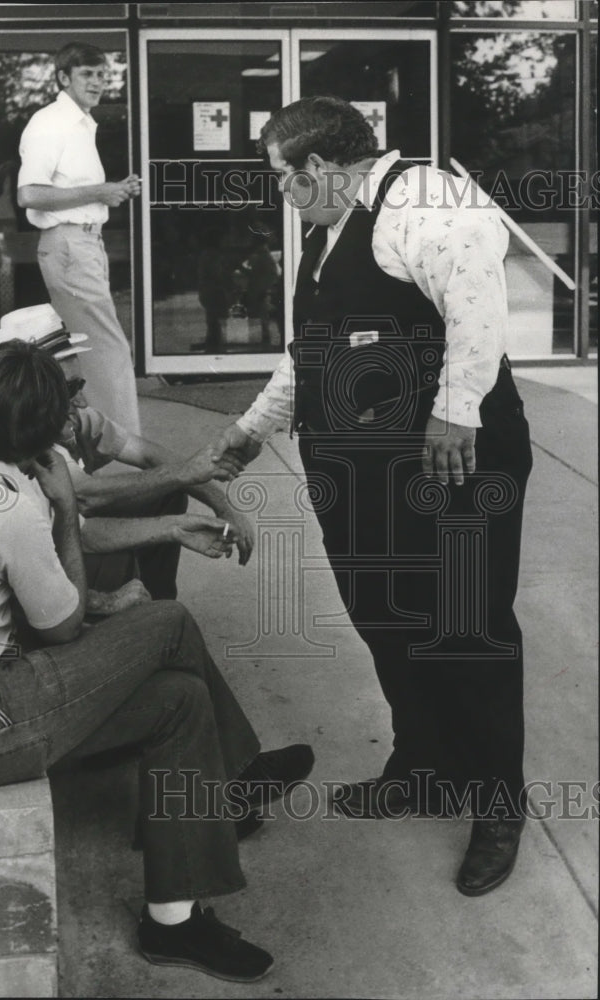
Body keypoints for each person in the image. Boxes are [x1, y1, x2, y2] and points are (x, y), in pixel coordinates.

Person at [0, 341, 315, 982]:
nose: (71, 419)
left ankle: (173, 921)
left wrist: (162, 531)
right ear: (30, 425)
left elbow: (52, 554)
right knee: (168, 623)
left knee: (178, 700)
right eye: (61, 410)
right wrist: (70, 509)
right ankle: (237, 778)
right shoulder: (5, 504)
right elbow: (65, 623)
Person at [213, 97, 533, 897]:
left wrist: (456, 414)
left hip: (454, 462)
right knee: (387, 616)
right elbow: (310, 351)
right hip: (360, 475)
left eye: (281, 180)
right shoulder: (328, 231)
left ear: (319, 168)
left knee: (467, 628)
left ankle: (497, 806)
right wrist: (251, 431)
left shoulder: (427, 202)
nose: (280, 195)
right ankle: (423, 766)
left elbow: (476, 308)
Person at [0, 303, 255, 601]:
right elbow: (86, 501)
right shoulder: (21, 438)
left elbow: (149, 454)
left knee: (166, 492)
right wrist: (183, 478)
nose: (83, 401)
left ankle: (158, 605)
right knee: (133, 535)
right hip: (35, 574)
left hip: (66, 534)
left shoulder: (68, 417)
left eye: (79, 385)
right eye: (69, 389)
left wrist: (223, 505)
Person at [17, 41, 141, 432]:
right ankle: (122, 451)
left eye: (102, 74)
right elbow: (30, 194)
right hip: (70, 244)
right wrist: (100, 192)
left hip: (83, 243)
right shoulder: (51, 123)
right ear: (63, 78)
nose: (98, 81)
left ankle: (95, 443)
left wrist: (111, 191)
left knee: (90, 351)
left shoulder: (81, 124)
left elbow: (71, 192)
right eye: (87, 74)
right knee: (106, 350)